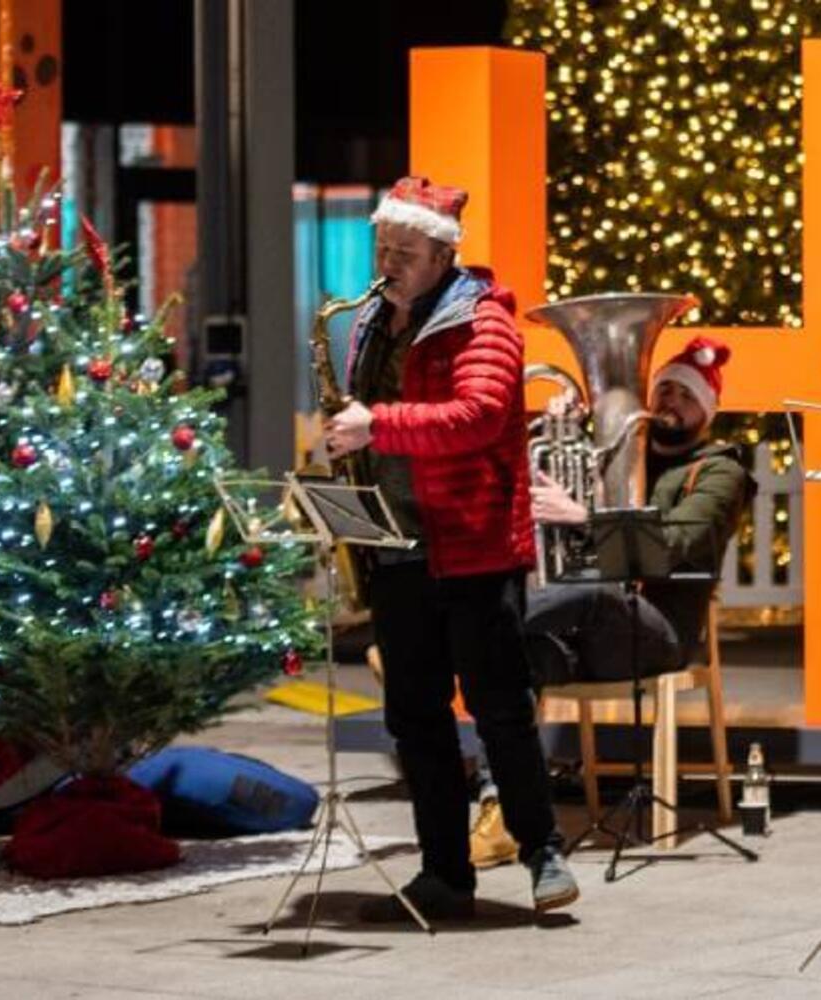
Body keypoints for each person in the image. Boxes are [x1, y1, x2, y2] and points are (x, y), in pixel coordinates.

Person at [322, 175, 577, 919]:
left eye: (404, 251)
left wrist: (379, 426)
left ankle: (541, 850)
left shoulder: (485, 323)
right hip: (397, 544)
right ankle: (444, 870)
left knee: (500, 708)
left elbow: (476, 414)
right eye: (383, 248)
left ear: (441, 255)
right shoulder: (373, 318)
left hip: (472, 547)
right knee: (416, 714)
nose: (388, 262)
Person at [522, 337, 756, 689]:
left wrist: (584, 517)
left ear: (708, 412)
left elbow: (678, 540)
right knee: (509, 659)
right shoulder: (617, 453)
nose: (672, 401)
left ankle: (470, 625)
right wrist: (562, 431)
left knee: (593, 593)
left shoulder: (721, 472)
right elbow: (568, 541)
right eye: (665, 389)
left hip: (659, 637)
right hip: (582, 636)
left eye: (687, 396)